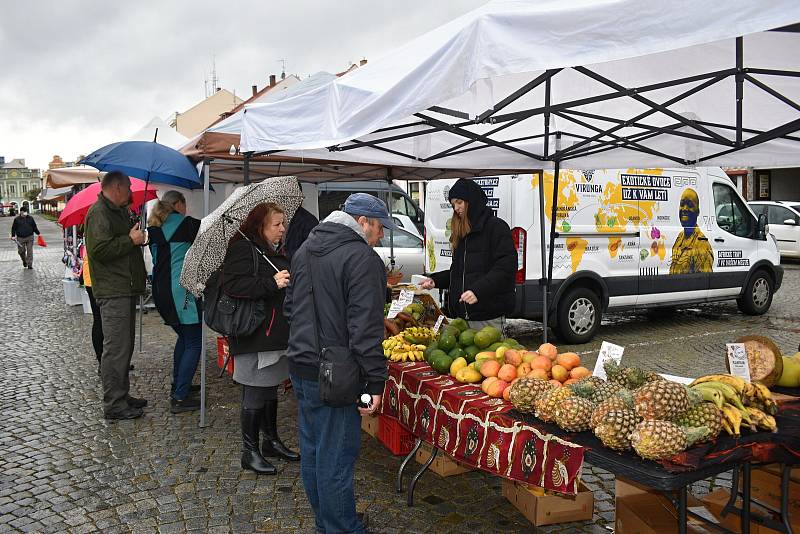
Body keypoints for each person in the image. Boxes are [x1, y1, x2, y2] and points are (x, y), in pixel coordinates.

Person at [285, 193, 392, 534]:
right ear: (362, 223)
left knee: (316, 452)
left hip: (302, 364)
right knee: (335, 457)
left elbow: (291, 308)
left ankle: (327, 523)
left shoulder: (304, 249)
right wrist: (376, 383)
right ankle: (340, 527)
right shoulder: (362, 258)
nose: (382, 236)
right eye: (379, 229)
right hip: (336, 373)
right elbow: (365, 330)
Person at [221, 202, 300, 475]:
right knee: (254, 390)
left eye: (282, 223)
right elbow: (232, 285)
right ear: (260, 226)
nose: (282, 229)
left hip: (274, 334)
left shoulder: (270, 250)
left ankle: (271, 442)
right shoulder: (243, 249)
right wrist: (271, 283)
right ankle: (249, 451)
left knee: (269, 387)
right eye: (276, 224)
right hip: (254, 335)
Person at [84, 171, 148, 421]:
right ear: (118, 188)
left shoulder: (117, 211)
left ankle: (121, 395)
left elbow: (119, 242)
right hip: (113, 290)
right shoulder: (99, 213)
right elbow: (98, 250)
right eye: (129, 187)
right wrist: (129, 241)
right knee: (116, 349)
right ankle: (113, 404)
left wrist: (135, 238)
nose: (132, 191)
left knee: (124, 347)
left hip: (124, 287)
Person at [419, 178, 517, 331]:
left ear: (471, 200)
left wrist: (478, 290)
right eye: (453, 204)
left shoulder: (496, 227)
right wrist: (435, 280)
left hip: (488, 318)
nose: (456, 208)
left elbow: (505, 269)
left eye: (459, 202)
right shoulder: (463, 233)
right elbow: (458, 273)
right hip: (462, 318)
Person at [147, 190, 203, 413]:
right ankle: (180, 397)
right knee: (194, 340)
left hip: (161, 292)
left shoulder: (154, 227)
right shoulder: (186, 224)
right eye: (185, 204)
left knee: (185, 337)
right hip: (181, 292)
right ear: (178, 204)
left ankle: (180, 384)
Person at [670, 188, 714, 275]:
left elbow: (704, 282)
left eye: (690, 205)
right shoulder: (680, 237)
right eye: (682, 204)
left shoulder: (702, 244)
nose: (684, 209)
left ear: (697, 212)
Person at [79, 243, 103, 370]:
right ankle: (102, 360)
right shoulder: (96, 224)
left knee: (100, 320)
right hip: (96, 278)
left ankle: (108, 360)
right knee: (99, 319)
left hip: (92, 277)